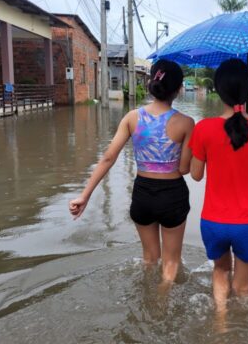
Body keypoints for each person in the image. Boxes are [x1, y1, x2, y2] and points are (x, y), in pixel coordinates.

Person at [69, 59, 194, 286]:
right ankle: (162, 303)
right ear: (178, 89)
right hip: (173, 194)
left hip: (143, 194)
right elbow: (185, 168)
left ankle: (147, 298)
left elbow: (108, 157)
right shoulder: (186, 123)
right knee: (171, 262)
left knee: (149, 259)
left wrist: (84, 196)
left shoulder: (132, 117)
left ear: (151, 83)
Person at [189, 58, 248, 314]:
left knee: (220, 271)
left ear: (218, 90)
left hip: (214, 222)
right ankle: (239, 334)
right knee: (243, 288)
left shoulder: (204, 128)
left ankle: (220, 322)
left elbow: (195, 174)